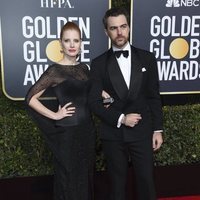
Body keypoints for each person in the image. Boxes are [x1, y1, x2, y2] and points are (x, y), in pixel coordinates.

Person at [89, 7, 163, 200]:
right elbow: (94, 103)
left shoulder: (147, 58)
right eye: (113, 28)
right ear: (106, 32)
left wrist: (158, 129)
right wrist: (121, 118)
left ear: (129, 27)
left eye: (123, 26)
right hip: (114, 135)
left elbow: (154, 96)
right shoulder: (97, 64)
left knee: (146, 182)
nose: (119, 32)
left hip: (142, 131)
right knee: (116, 186)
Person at [25, 22, 95, 200]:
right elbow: (30, 98)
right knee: (68, 178)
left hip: (87, 132)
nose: (72, 45)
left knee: (86, 176)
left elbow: (89, 95)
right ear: (60, 44)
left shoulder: (84, 69)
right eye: (67, 40)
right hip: (67, 134)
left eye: (76, 40)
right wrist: (55, 115)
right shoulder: (55, 71)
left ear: (81, 44)